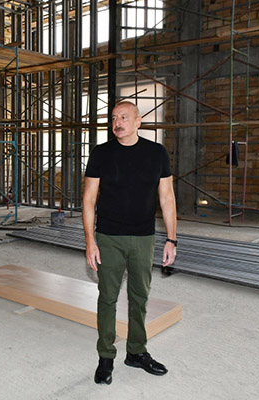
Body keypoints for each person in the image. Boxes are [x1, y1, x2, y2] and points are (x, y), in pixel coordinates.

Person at [82, 101, 177, 385]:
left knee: (139, 297)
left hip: (144, 238)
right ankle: (105, 356)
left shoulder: (157, 153)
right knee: (107, 298)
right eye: (114, 118)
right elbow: (88, 199)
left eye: (124, 117)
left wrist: (171, 239)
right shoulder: (101, 153)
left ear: (138, 121)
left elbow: (167, 198)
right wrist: (90, 241)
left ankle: (136, 351)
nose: (117, 123)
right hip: (109, 237)